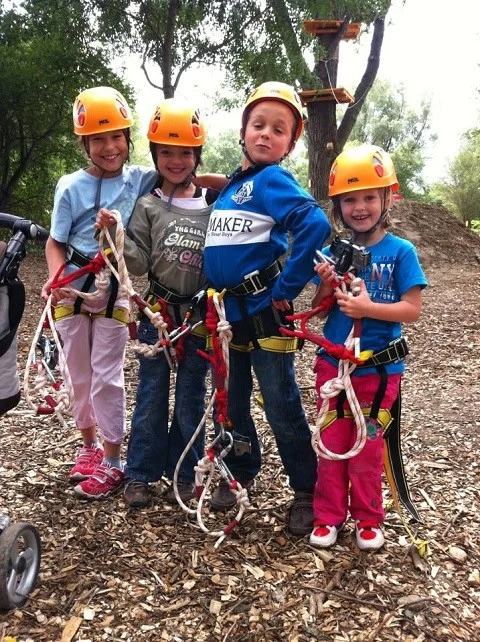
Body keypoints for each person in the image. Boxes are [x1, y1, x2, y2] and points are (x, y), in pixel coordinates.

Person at [202, 81, 331, 536]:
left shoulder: (272, 180)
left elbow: (314, 223)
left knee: (280, 402)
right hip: (229, 316)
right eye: (258, 125)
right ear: (243, 131)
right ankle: (241, 470)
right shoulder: (236, 186)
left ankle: (306, 489)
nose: (265, 134)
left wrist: (287, 286)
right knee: (232, 401)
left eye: (278, 130)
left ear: (290, 144)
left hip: (263, 311)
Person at [96, 98, 218, 508]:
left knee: (190, 397)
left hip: (198, 316)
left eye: (185, 152)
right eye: (166, 152)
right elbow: (138, 262)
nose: (176, 160)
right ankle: (141, 473)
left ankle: (185, 471)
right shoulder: (148, 205)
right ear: (154, 155)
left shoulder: (213, 204)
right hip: (158, 314)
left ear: (197, 155)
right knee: (151, 393)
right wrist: (113, 236)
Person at [41, 86, 157, 500]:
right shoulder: (70, 186)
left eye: (116, 137)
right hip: (73, 287)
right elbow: (55, 242)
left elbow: (183, 174)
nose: (109, 147)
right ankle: (88, 445)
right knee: (77, 372)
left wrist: (234, 181)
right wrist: (56, 280)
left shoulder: (140, 178)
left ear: (127, 138)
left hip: (114, 287)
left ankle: (112, 458)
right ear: (85, 144)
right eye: (98, 139)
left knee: (107, 375)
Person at [310, 144, 427, 550]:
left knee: (367, 445)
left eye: (368, 198)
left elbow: (412, 309)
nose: (359, 207)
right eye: (349, 200)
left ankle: (368, 518)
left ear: (386, 199)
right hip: (334, 367)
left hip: (378, 370)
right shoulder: (335, 253)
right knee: (331, 442)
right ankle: (328, 516)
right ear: (338, 206)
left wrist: (367, 308)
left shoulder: (401, 252)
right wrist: (328, 280)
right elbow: (320, 309)